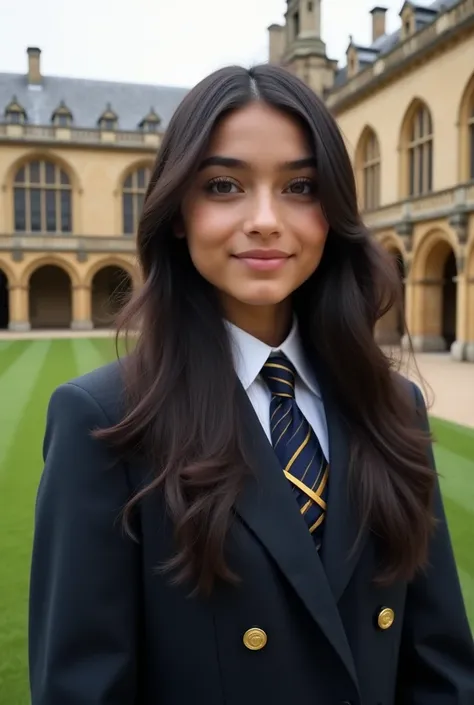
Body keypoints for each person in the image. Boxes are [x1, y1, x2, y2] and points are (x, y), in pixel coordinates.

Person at [28, 64, 474, 705]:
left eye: (300, 186)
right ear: (178, 212)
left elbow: (442, 670)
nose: (265, 219)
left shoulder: (392, 408)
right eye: (225, 185)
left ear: (333, 213)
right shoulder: (105, 422)